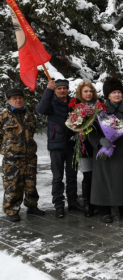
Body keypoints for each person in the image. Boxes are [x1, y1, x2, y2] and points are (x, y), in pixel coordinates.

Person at [88, 78, 123, 223]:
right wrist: (100, 141)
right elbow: (90, 131)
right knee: (104, 181)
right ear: (107, 95)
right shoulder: (99, 109)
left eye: (118, 92)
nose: (117, 95)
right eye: (113, 92)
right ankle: (104, 211)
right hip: (105, 150)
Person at [37, 79, 83, 218]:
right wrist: (48, 91)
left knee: (72, 176)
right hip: (56, 145)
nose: (62, 91)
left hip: (71, 144)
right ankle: (58, 205)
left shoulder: (73, 103)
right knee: (57, 177)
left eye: (64, 88)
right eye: (59, 88)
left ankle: (73, 202)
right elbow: (41, 110)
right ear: (55, 90)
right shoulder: (50, 101)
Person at [1, 88, 44, 222]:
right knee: (13, 185)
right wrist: (6, 150)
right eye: (14, 98)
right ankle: (11, 210)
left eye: (20, 98)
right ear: (9, 101)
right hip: (12, 159)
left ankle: (32, 206)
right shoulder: (3, 117)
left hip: (29, 156)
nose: (18, 100)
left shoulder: (29, 115)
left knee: (31, 183)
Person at [71, 82, 100, 217]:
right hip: (84, 147)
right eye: (85, 91)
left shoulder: (100, 106)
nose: (88, 94)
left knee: (99, 176)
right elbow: (72, 126)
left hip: (99, 146)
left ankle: (99, 202)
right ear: (80, 94)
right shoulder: (76, 108)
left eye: (90, 91)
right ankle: (87, 204)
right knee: (88, 176)